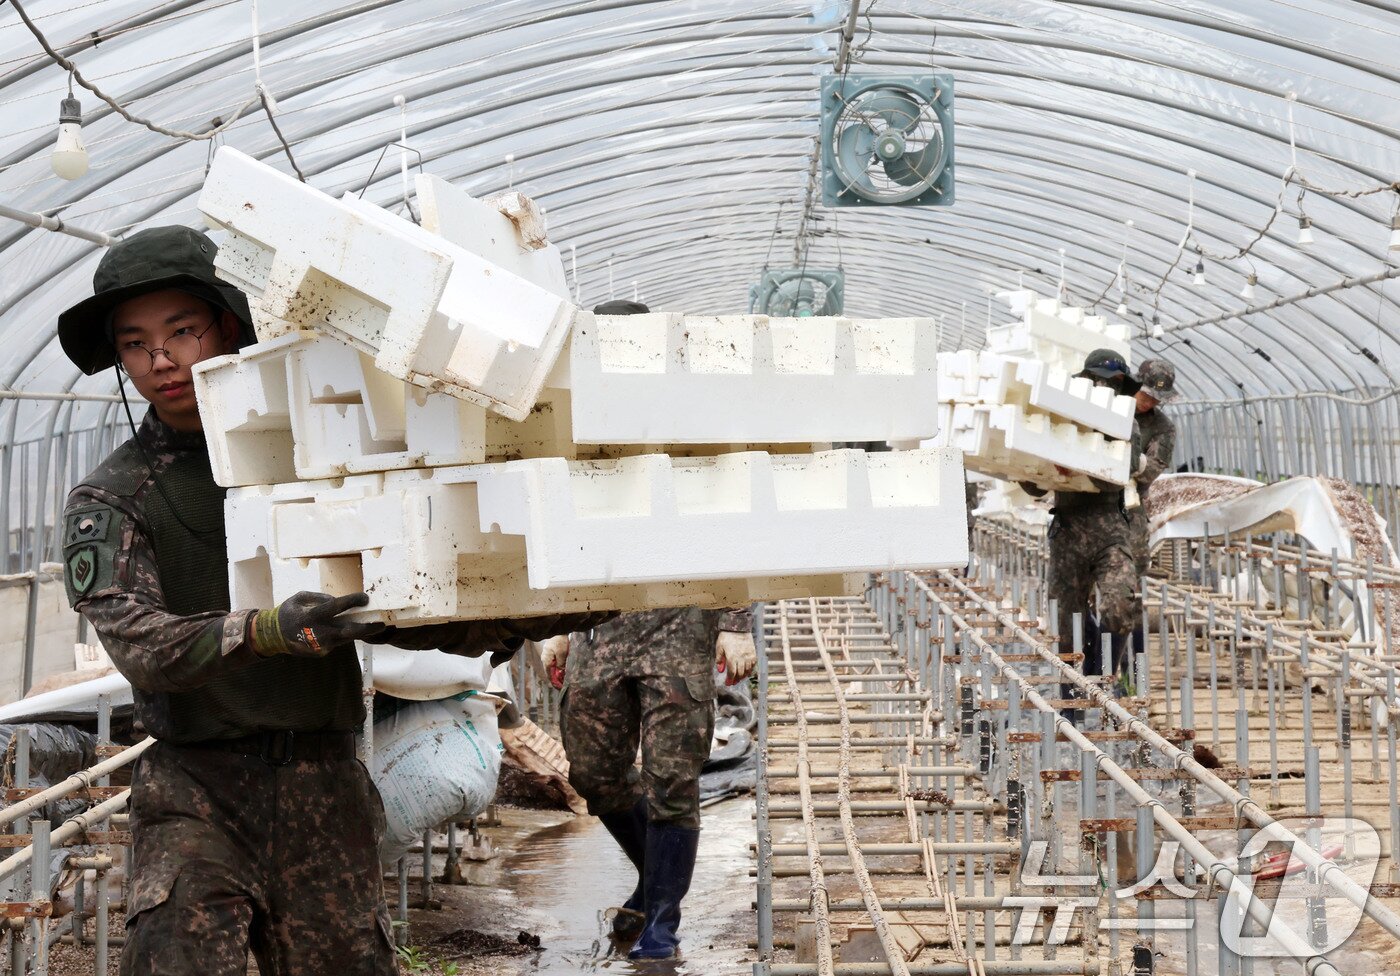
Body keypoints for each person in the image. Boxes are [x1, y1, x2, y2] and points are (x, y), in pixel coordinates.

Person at [57, 225, 600, 976]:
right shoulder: (115, 497)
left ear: (230, 326)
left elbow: (393, 602)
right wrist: (269, 631)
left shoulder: (317, 462)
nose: (160, 360)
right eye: (135, 343)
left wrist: (540, 609)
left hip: (327, 781)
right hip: (198, 790)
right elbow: (144, 646)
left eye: (182, 331)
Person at [539, 300, 759, 962]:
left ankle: (661, 922)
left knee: (671, 776)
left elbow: (735, 509)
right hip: (599, 620)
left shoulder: (689, 418)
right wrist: (554, 624)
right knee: (594, 771)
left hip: (680, 614)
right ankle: (653, 882)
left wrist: (737, 619)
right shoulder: (570, 420)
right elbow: (556, 516)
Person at [1019, 348, 1142, 702]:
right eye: (1097, 382)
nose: (1104, 389)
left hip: (1109, 527)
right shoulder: (1060, 421)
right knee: (1066, 623)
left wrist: (1081, 463)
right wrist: (1043, 466)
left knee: (1120, 604)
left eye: (1113, 384)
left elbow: (1124, 470)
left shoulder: (1125, 421)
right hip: (1069, 528)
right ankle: (1070, 700)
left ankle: (1103, 674)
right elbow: (1033, 482)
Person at [1127, 359, 1178, 578]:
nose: (1149, 403)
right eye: (1146, 396)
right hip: (1090, 494)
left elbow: (1153, 467)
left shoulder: (1162, 427)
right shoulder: (1108, 406)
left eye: (1156, 400)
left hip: (1128, 499)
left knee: (1136, 556)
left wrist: (1130, 462)